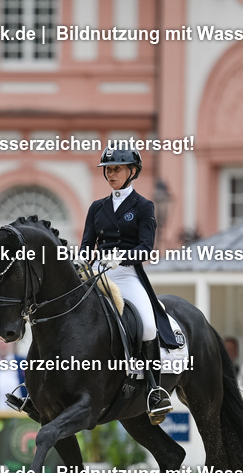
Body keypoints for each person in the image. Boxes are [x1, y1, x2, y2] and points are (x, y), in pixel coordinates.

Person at [80, 146, 179, 424]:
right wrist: (84, 260)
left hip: (127, 273)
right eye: (108, 170)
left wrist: (121, 258)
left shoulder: (143, 206)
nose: (111, 174)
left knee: (147, 324)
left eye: (117, 169)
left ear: (132, 172)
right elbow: (87, 244)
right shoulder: (97, 207)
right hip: (98, 272)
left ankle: (154, 390)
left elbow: (146, 247)